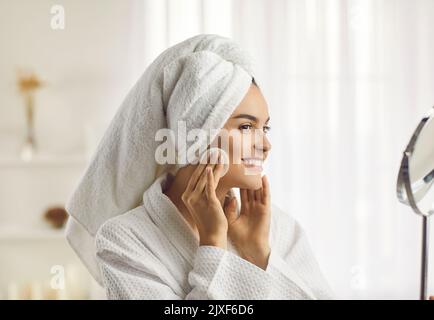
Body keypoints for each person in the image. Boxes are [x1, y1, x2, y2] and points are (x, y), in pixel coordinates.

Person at [64, 34, 334, 300]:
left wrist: (258, 253)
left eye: (265, 127)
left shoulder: (277, 228)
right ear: (197, 132)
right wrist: (213, 245)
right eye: (246, 127)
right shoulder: (125, 239)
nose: (265, 145)